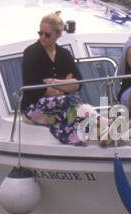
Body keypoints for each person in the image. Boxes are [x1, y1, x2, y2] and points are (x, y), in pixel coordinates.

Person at [21, 13, 87, 145]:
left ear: (58, 34)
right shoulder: (31, 53)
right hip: (32, 108)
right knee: (70, 102)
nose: (42, 38)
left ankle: (102, 133)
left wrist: (52, 82)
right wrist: (65, 85)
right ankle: (106, 125)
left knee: (72, 106)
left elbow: (78, 83)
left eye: (47, 34)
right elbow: (34, 89)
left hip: (59, 105)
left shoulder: (64, 54)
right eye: (40, 33)